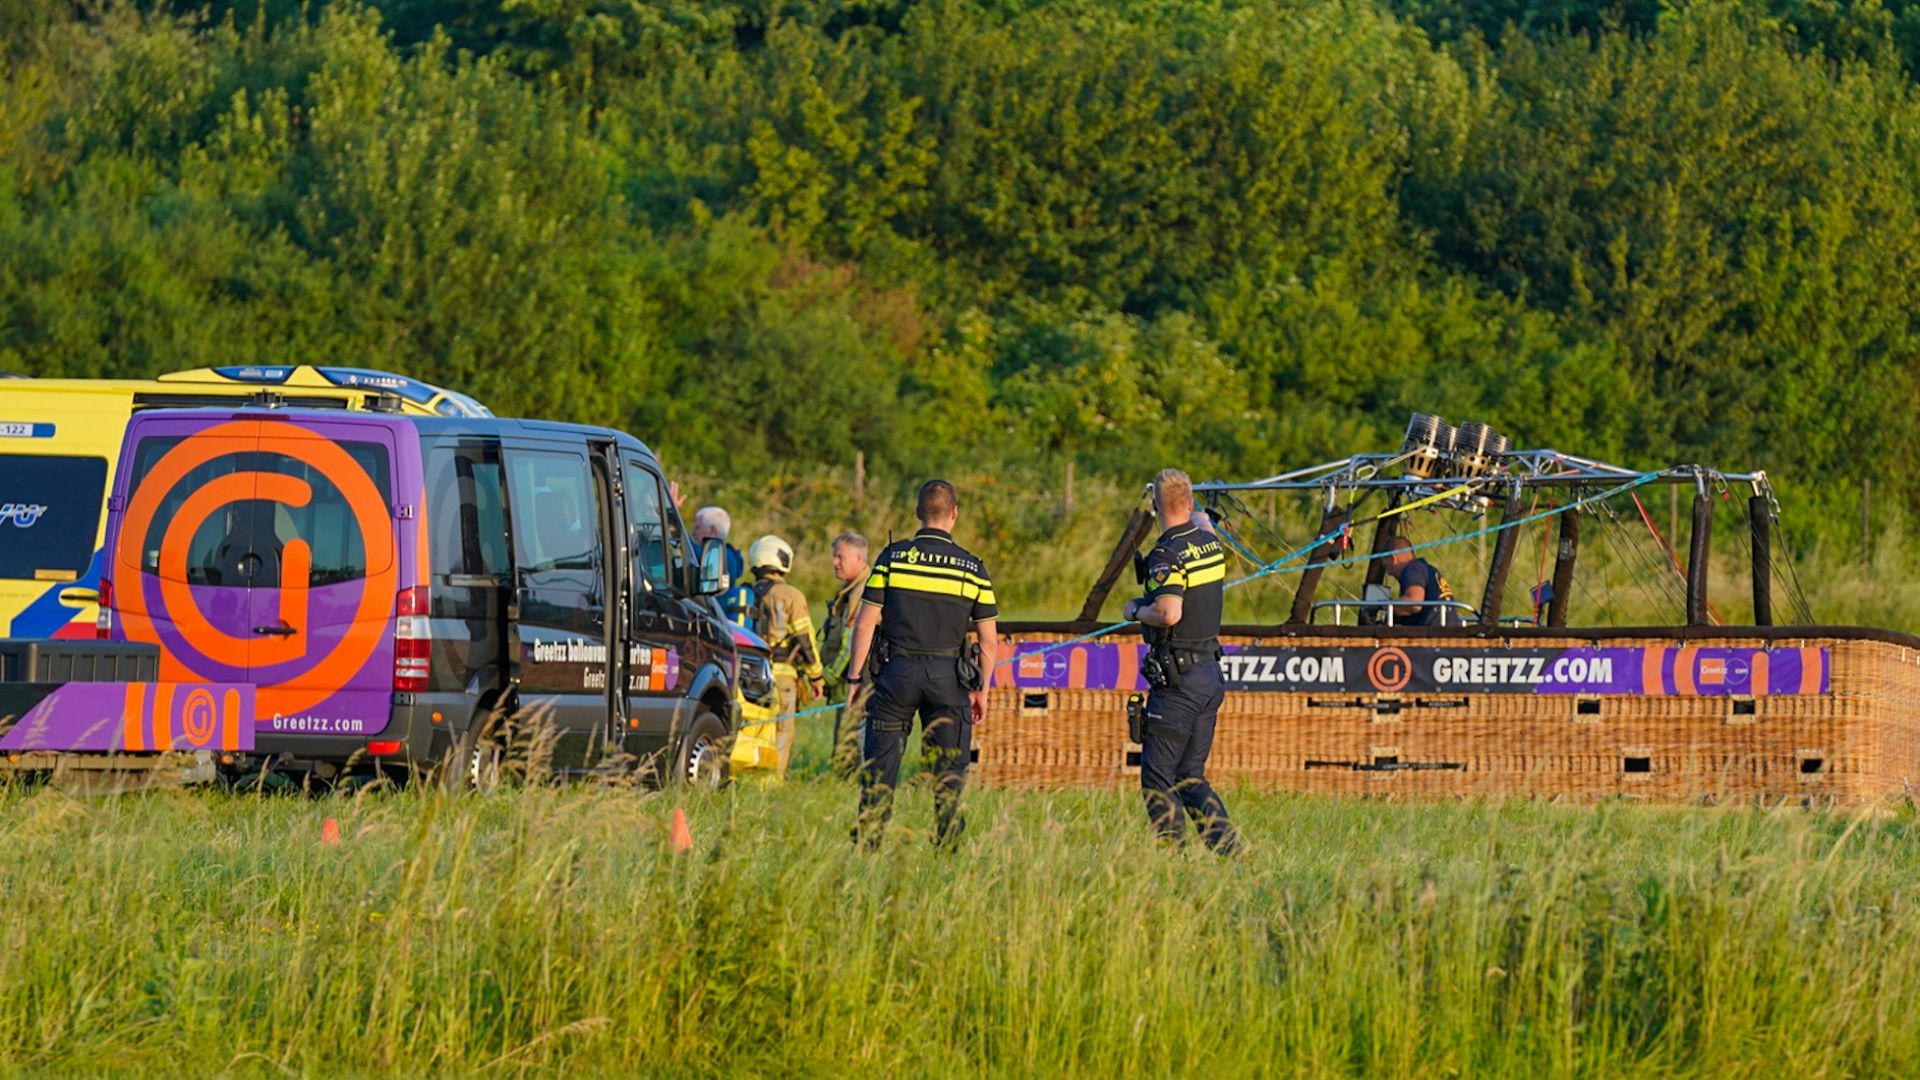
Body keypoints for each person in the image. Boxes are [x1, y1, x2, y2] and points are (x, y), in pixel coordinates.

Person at [844, 480, 999, 849]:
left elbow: (865, 624)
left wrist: (854, 679)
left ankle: (868, 844)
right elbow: (989, 640)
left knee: (880, 769)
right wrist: (982, 690)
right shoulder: (973, 568)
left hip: (896, 675)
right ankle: (946, 846)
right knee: (949, 773)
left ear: (917, 513)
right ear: (955, 514)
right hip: (949, 679)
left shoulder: (892, 558)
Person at [1122, 468, 1239, 853]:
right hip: (1209, 675)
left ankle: (1173, 862)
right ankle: (1231, 852)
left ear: (1155, 506)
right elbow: (1204, 523)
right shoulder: (1209, 543)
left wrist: (1136, 611)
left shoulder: (1165, 554)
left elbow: (1169, 613)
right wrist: (1199, 513)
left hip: (1179, 683)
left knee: (1157, 779)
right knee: (1191, 777)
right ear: (1189, 503)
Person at [746, 535, 825, 772]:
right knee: (782, 729)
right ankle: (773, 779)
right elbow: (805, 640)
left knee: (753, 725)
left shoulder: (742, 592)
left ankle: (747, 772)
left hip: (747, 673)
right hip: (782, 676)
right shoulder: (791, 595)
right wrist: (816, 676)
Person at [819, 531, 871, 779]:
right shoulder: (850, 589)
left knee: (848, 747)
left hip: (858, 681)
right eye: (834, 556)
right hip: (847, 681)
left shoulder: (863, 591)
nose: (834, 562)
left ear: (860, 559)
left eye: (840, 557)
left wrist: (826, 677)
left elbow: (850, 643)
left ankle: (850, 787)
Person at [693, 506, 752, 626]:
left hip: (712, 623)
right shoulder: (729, 555)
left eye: (698, 528)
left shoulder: (718, 555)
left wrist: (670, 517)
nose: (693, 532)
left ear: (712, 530)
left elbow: (690, 550)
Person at [1383, 536, 1456, 627]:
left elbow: (1414, 603)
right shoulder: (1428, 569)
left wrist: (1385, 606)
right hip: (1450, 629)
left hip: (1432, 633)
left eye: (1386, 565)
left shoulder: (1412, 569)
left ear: (1394, 559)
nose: (1388, 573)